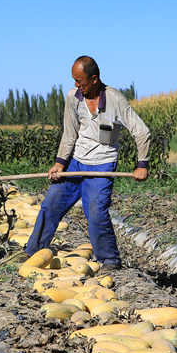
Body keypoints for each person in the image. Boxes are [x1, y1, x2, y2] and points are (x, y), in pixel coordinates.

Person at [24, 56, 150, 271]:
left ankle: (109, 260)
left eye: (80, 81)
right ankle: (34, 252)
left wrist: (142, 164)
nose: (76, 85)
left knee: (96, 213)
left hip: (102, 165)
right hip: (77, 163)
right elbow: (69, 133)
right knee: (50, 205)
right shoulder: (73, 97)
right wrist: (60, 163)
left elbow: (141, 131)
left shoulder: (115, 100)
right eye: (74, 80)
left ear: (94, 79)